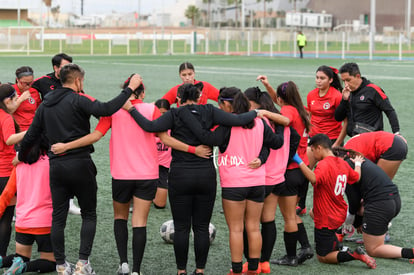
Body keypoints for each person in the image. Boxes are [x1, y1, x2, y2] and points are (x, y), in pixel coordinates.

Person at [49, 77, 211, 275]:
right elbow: (165, 139)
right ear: (142, 93)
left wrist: (66, 146)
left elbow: (95, 136)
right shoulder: (151, 110)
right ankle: (136, 270)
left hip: (121, 174)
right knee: (140, 222)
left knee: (120, 218)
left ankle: (123, 263)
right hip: (147, 174)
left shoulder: (114, 110)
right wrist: (193, 149)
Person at [123, 82, 262, 275]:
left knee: (181, 228)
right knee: (202, 227)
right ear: (199, 97)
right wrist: (257, 113)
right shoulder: (210, 111)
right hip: (205, 176)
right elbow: (237, 120)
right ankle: (200, 270)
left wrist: (131, 109)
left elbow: (149, 126)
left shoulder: (173, 114)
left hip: (180, 175)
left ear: (178, 99)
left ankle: (181, 271)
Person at [17, 64, 141, 275]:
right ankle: (83, 264)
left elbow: (30, 136)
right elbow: (106, 109)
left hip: (56, 166)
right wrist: (129, 89)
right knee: (89, 214)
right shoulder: (78, 99)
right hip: (80, 164)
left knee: (58, 217)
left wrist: (20, 157)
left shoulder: (45, 104)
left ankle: (61, 265)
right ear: (77, 81)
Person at [179, 87, 285, 275]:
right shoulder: (259, 122)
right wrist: (280, 125)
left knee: (236, 229)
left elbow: (207, 138)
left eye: (221, 105)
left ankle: (236, 270)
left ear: (228, 104)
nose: (220, 109)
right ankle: (254, 268)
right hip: (257, 182)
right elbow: (276, 142)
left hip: (234, 183)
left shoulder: (227, 126)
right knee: (253, 227)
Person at [293, 134, 377, 269]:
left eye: (313, 151)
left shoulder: (323, 165)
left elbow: (314, 179)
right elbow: (356, 178)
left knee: (323, 257)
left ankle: (355, 255)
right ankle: (335, 243)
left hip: (327, 217)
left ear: (319, 148)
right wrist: (357, 164)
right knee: (312, 213)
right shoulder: (342, 163)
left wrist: (298, 161)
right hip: (339, 213)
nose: (313, 155)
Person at [242, 87, 299, 274]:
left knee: (248, 222)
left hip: (261, 177)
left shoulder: (260, 120)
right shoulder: (280, 119)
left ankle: (253, 262)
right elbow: (295, 139)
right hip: (278, 176)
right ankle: (264, 263)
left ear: (253, 103)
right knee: (268, 219)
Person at [257, 77, 313, 266]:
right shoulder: (302, 109)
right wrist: (268, 86)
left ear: (282, 99)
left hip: (289, 170)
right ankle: (305, 246)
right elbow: (281, 105)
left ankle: (290, 257)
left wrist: (262, 112)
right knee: (292, 214)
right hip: (302, 168)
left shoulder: (288, 111)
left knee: (288, 216)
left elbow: (285, 117)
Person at [334, 146, 414, 264]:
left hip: (380, 206)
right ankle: (370, 228)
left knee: (373, 249)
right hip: (394, 200)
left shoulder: (347, 166)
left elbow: (354, 200)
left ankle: (410, 253)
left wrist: (354, 222)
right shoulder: (357, 160)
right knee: (360, 210)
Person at [31, 53, 81, 215]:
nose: (68, 70)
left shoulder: (73, 81)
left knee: (71, 164)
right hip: (47, 131)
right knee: (46, 166)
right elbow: (24, 90)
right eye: (65, 67)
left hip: (68, 131)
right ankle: (44, 200)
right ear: (55, 68)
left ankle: (69, 202)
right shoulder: (41, 82)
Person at [0, 134, 56, 274]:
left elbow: (6, 195)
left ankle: (3, 261)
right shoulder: (52, 163)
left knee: (21, 257)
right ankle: (23, 267)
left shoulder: (19, 165)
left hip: (22, 221)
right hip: (45, 222)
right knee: (51, 262)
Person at [297, 65, 347, 216]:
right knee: (305, 171)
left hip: (332, 140)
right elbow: (311, 117)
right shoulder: (312, 95)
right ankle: (301, 205)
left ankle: (332, 209)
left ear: (331, 80)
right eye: (317, 77)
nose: (318, 81)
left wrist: (338, 143)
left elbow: (346, 122)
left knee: (332, 179)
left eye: (322, 78)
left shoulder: (337, 96)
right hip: (315, 140)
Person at [334, 62, 400, 137]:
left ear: (358, 76)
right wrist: (344, 100)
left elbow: (389, 111)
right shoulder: (347, 92)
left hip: (372, 138)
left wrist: (396, 132)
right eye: (343, 81)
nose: (346, 84)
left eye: (348, 80)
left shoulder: (373, 90)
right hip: (355, 139)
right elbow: (338, 118)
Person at [0, 84, 27, 258]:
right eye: (15, 99)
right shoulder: (6, 118)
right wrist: (32, 131)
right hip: (5, 174)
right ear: (7, 100)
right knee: (5, 218)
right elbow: (9, 139)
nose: (17, 102)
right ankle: (1, 255)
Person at [153, 99, 172, 209]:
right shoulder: (147, 125)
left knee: (160, 204)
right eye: (158, 112)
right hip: (146, 165)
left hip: (162, 167)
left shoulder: (173, 128)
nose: (161, 116)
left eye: (164, 113)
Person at [12, 66, 42, 131]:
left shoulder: (34, 92)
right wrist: (20, 100)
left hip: (32, 129)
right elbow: (6, 112)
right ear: (17, 80)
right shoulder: (10, 91)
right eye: (25, 83)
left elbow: (40, 110)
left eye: (31, 83)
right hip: (16, 130)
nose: (28, 86)